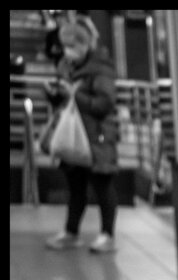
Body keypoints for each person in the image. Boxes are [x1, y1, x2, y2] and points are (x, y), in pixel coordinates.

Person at [42, 16, 120, 255]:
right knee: (75, 187)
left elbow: (105, 104)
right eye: (65, 46)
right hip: (74, 137)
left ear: (85, 45)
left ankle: (107, 235)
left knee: (102, 186)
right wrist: (54, 94)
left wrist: (75, 96)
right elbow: (65, 102)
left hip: (97, 137)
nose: (68, 51)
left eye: (72, 46)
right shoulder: (67, 68)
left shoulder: (100, 70)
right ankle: (71, 231)